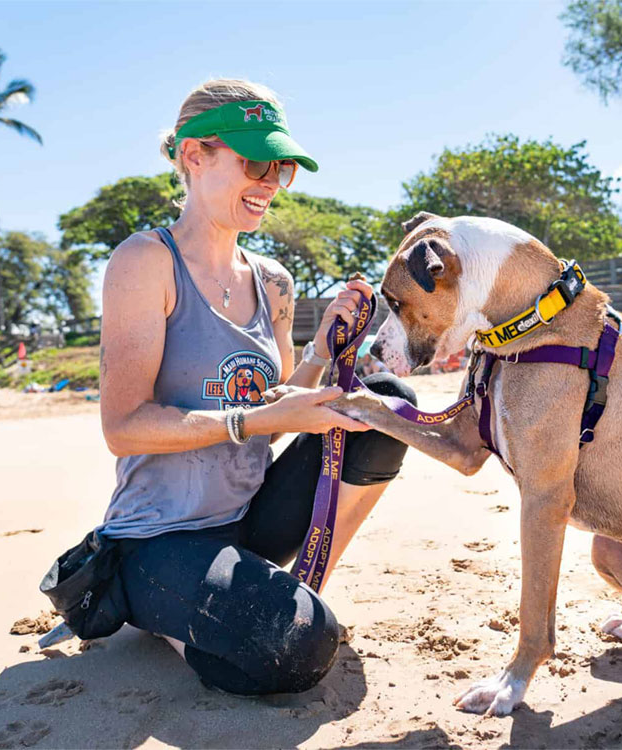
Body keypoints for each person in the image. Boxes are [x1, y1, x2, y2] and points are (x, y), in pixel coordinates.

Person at [97, 78, 416, 696]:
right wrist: (258, 421)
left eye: (282, 168)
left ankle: (300, 589)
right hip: (159, 537)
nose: (271, 181)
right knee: (298, 649)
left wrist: (322, 349)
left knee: (385, 405)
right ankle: (162, 605)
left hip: (250, 515)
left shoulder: (272, 280)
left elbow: (275, 402)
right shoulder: (144, 263)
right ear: (194, 156)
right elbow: (123, 426)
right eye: (256, 161)